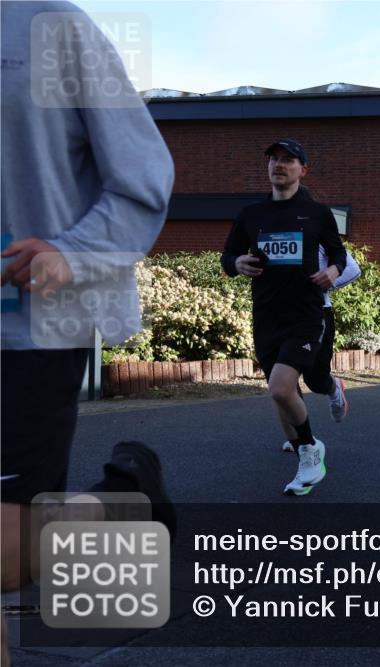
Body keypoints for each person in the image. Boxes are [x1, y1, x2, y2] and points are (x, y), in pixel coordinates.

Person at [0, 2, 175, 653]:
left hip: (33, 328)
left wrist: (70, 254)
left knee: (9, 561)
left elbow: (143, 177)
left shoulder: (53, 27)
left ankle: (127, 497)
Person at [222, 139, 347, 495]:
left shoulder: (318, 213)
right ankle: (304, 449)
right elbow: (228, 255)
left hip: (306, 312)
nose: (279, 165)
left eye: (288, 160)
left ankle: (309, 450)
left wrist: (333, 272)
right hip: (267, 314)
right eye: (274, 159)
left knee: (280, 386)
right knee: (281, 393)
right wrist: (236, 263)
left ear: (302, 170)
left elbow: (338, 254)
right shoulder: (251, 215)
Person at [280, 249, 360, 452]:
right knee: (282, 379)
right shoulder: (275, 229)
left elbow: (353, 269)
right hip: (280, 312)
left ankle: (333, 388)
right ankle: (299, 438)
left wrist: (323, 285)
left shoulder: (317, 228)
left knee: (314, 380)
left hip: (317, 311)